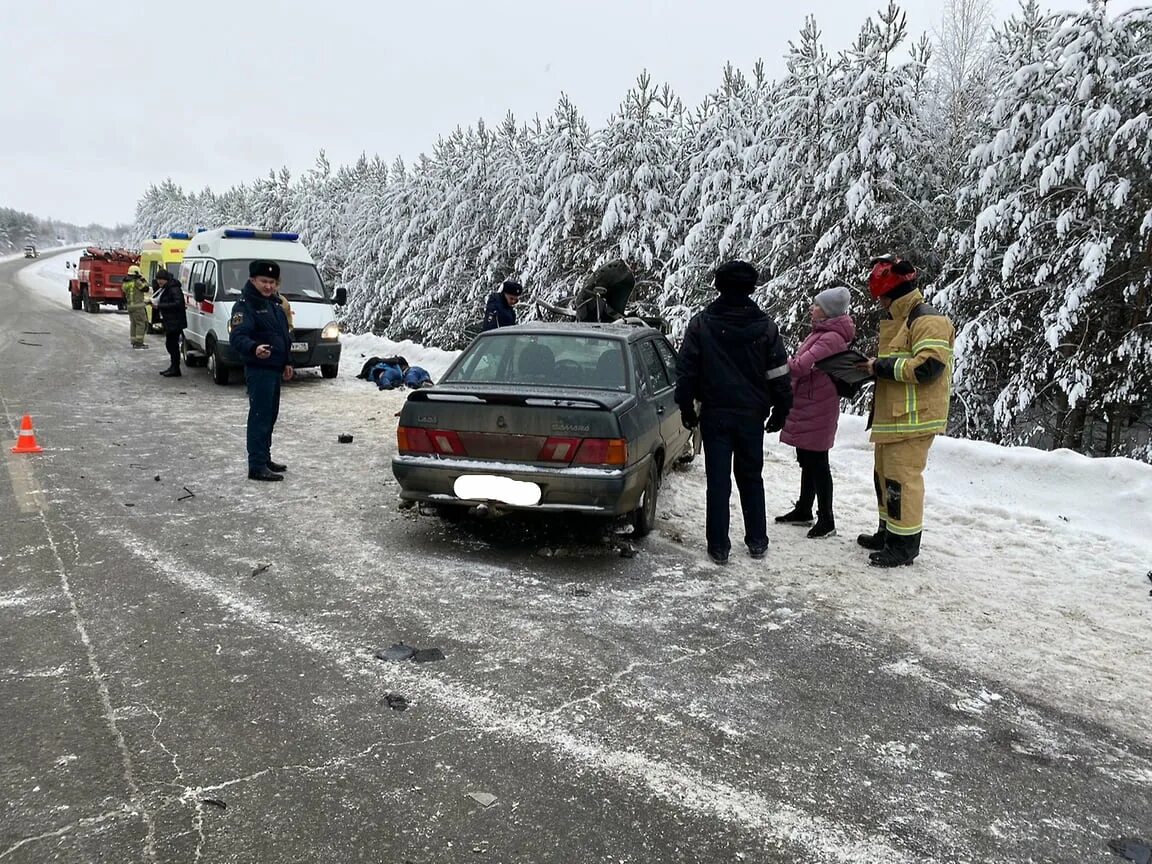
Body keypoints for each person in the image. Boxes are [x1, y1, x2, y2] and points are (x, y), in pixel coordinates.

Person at [675, 260, 793, 565]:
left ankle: (719, 545)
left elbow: (686, 370)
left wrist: (686, 407)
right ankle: (757, 540)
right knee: (751, 477)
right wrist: (782, 409)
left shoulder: (701, 324)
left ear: (718, 285)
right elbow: (779, 372)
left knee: (718, 481)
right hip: (751, 414)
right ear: (752, 288)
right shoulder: (766, 326)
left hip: (715, 413)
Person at [857, 256, 955, 567]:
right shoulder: (902, 320)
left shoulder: (928, 321)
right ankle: (888, 531)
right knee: (884, 477)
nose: (880, 304)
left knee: (903, 481)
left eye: (882, 298)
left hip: (915, 419)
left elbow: (929, 366)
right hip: (893, 417)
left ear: (891, 294)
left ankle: (904, 546)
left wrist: (880, 367)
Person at [775, 284, 856, 539]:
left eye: (818, 305)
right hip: (810, 404)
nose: (812, 308)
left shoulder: (830, 338)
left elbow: (800, 367)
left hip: (818, 406)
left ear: (829, 311)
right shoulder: (821, 333)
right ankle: (803, 509)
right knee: (807, 459)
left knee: (818, 462)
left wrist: (775, 361)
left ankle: (827, 519)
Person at [228, 261, 294, 482]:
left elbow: (284, 335)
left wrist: (287, 361)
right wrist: (254, 348)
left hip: (274, 368)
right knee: (260, 416)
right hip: (259, 369)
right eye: (264, 282)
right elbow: (237, 337)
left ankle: (264, 457)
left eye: (272, 282)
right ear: (252, 280)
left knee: (270, 415)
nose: (268, 286)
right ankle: (256, 465)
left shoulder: (274, 304)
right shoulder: (245, 306)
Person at [154, 269, 186, 377]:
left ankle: (175, 368)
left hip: (175, 321)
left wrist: (160, 306)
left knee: (172, 345)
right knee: (171, 344)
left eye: (161, 279)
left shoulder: (173, 288)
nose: (159, 282)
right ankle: (173, 367)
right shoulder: (166, 288)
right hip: (170, 320)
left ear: (166, 279)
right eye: (158, 279)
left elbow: (178, 303)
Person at [123, 265, 149, 349]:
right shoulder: (137, 282)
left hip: (130, 306)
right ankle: (139, 342)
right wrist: (143, 280)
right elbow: (146, 288)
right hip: (138, 306)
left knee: (133, 324)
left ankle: (134, 341)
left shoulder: (126, 283)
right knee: (141, 324)